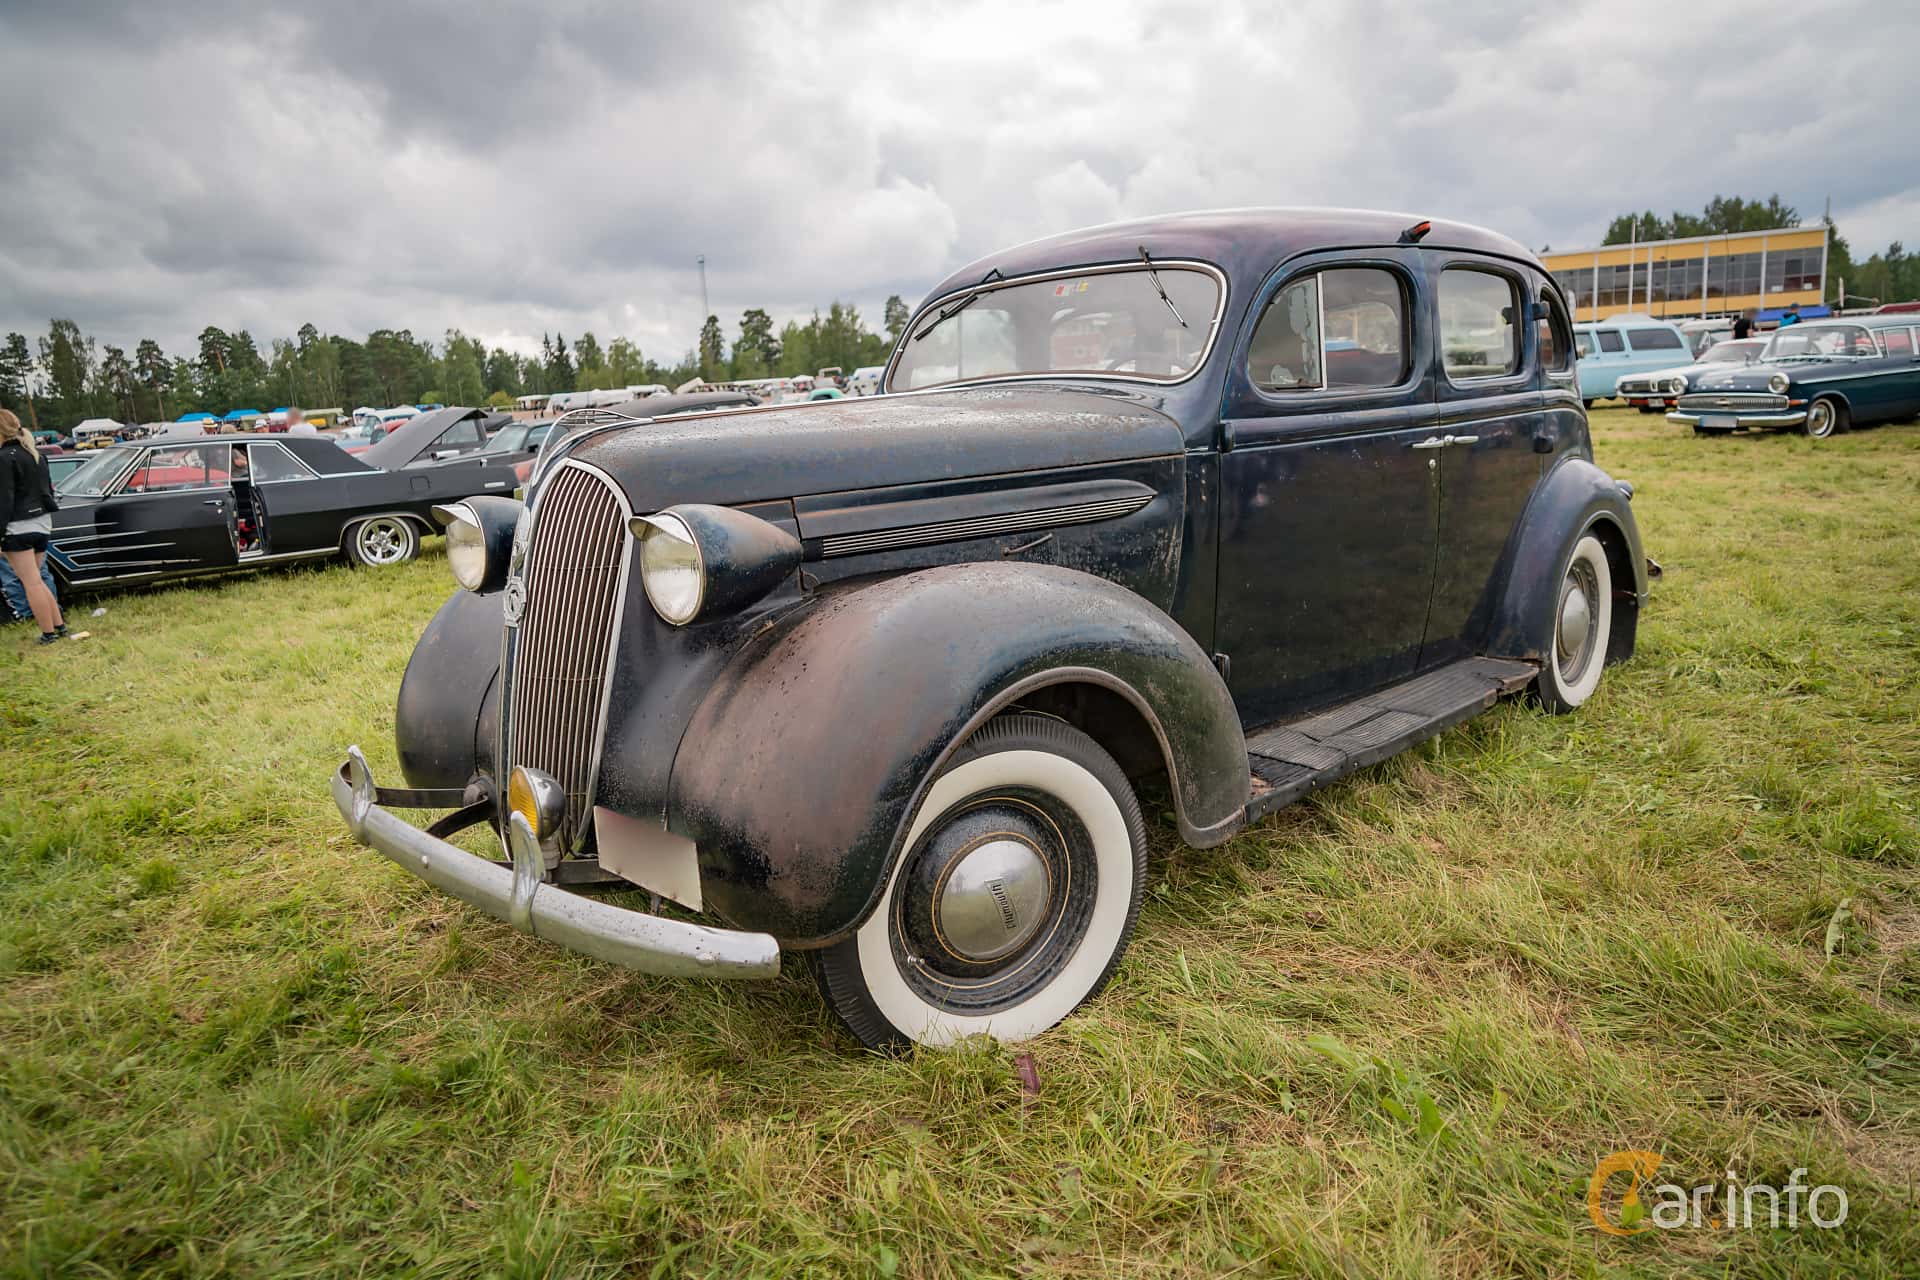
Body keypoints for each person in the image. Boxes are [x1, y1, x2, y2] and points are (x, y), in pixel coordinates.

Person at [0, 409, 70, 645]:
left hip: (17, 526)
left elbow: (4, 501)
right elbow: (46, 491)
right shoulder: (34, 453)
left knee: (30, 583)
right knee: (37, 580)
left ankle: (48, 634)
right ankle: (59, 626)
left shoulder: (3, 458)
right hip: (41, 522)